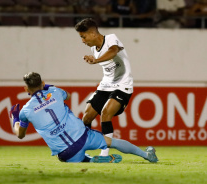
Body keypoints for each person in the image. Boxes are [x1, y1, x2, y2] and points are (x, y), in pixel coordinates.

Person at [10, 72, 158, 163]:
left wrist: (15, 119)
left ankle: (91, 160)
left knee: (74, 157)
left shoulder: (26, 111)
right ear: (42, 83)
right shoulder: (54, 92)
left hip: (65, 152)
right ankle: (147, 155)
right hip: (83, 136)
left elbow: (20, 135)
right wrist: (47, 87)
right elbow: (67, 95)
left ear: (25, 89)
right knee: (113, 142)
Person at [74, 18, 134, 156]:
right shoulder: (93, 49)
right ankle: (84, 149)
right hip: (105, 86)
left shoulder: (111, 38)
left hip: (122, 86)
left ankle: (105, 154)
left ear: (94, 34)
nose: (82, 41)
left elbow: (113, 51)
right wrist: (94, 59)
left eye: (83, 37)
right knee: (87, 117)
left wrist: (96, 60)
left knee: (106, 113)